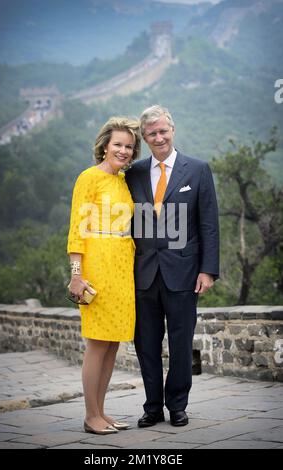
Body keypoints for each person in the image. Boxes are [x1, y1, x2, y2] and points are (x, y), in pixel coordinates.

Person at [125, 105, 219, 428]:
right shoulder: (134, 173)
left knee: (181, 342)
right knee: (146, 343)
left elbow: (209, 224)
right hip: (144, 275)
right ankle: (152, 407)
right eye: (152, 133)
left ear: (172, 130)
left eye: (163, 131)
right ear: (145, 138)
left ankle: (177, 405)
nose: (159, 137)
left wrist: (208, 270)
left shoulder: (197, 170)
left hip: (184, 273)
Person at [67, 117, 141, 435]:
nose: (123, 151)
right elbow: (77, 230)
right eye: (118, 145)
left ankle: (101, 411)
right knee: (97, 343)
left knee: (112, 344)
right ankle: (89, 415)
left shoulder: (124, 182)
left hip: (123, 268)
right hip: (96, 266)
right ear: (104, 146)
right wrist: (76, 274)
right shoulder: (89, 178)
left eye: (128, 146)